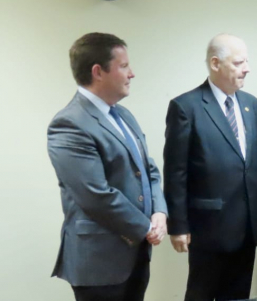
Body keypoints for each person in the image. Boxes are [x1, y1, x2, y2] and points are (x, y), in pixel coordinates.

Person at [47, 32, 167, 301]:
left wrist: (159, 211)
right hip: (99, 262)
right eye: (124, 66)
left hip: (136, 254)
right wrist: (145, 227)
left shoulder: (123, 115)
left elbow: (149, 170)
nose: (132, 73)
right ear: (98, 71)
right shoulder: (69, 124)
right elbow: (95, 194)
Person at [163, 33, 257, 301]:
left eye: (247, 61)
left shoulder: (252, 106)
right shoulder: (186, 107)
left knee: (239, 294)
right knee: (202, 294)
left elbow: (250, 165)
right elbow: (176, 172)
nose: (247, 68)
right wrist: (178, 225)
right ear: (215, 63)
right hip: (208, 226)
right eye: (239, 62)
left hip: (248, 225)